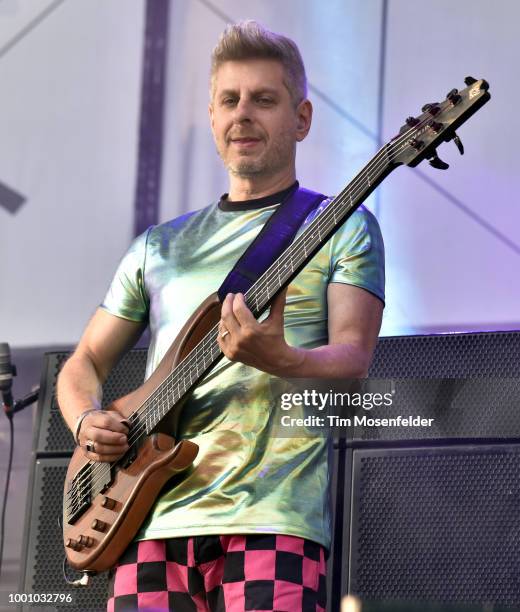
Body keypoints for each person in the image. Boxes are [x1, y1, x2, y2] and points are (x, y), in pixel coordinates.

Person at [57, 20, 385, 612]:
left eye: (265, 99)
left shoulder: (341, 226)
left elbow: (354, 362)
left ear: (302, 119)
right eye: (229, 101)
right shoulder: (159, 244)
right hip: (144, 519)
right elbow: (83, 361)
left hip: (272, 513)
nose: (244, 115)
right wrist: (86, 422)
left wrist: (282, 358)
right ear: (211, 118)